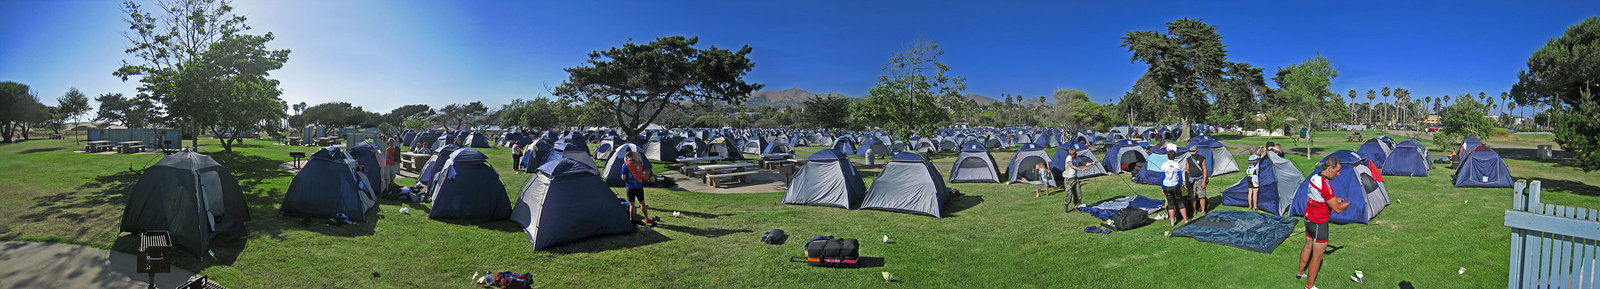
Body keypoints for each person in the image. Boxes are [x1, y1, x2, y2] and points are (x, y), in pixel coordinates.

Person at [1297, 161, 1351, 289]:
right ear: (1330, 169)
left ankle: (1300, 272)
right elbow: (1337, 209)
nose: (1339, 174)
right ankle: (1309, 286)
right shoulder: (1325, 185)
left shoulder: (1315, 177)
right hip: (1319, 223)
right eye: (1337, 171)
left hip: (1309, 219)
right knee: (1317, 255)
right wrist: (1350, 201)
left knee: (1308, 245)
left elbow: (1328, 198)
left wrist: (1342, 199)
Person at [1159, 143, 1189, 226]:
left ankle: (1172, 221)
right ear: (1174, 156)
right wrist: (1179, 185)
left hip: (1166, 186)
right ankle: (1186, 220)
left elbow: (1162, 178)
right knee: (1180, 203)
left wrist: (1162, 187)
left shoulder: (1163, 165)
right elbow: (1180, 177)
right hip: (1175, 185)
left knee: (1170, 204)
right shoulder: (1177, 165)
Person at [622, 151, 653, 224]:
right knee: (642, 202)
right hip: (639, 187)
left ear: (627, 157)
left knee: (632, 204)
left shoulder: (625, 165)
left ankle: (631, 219)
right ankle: (647, 218)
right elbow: (643, 174)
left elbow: (623, 177)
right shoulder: (639, 164)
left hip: (630, 187)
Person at [1186, 148, 1210, 216]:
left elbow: (1205, 171)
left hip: (1200, 179)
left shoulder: (1202, 159)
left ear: (1197, 152)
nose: (1193, 155)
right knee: (1192, 196)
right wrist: (1186, 180)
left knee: (1202, 196)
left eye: (1194, 153)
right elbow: (1187, 170)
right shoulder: (1188, 159)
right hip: (1191, 180)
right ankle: (1194, 210)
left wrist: (1204, 181)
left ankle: (1203, 211)